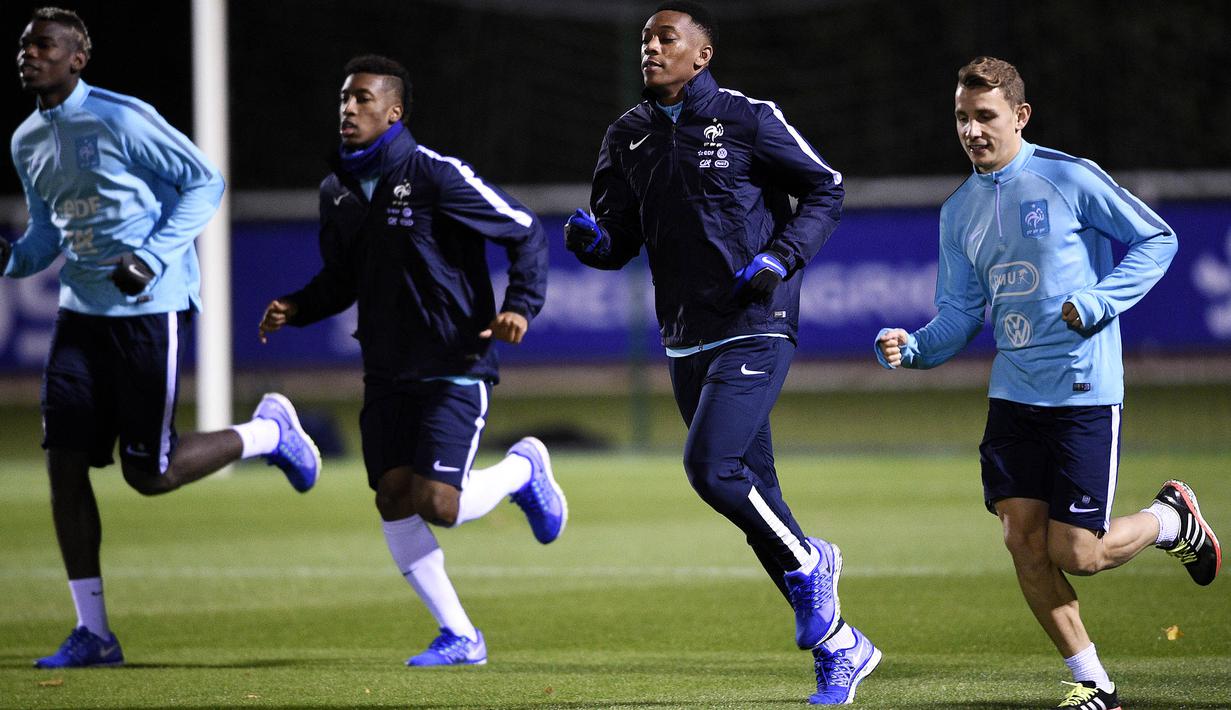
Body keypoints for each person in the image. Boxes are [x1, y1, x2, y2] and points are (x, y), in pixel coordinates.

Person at [876, 56, 1220, 709]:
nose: (972, 130)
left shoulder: (1066, 177)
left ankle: (1170, 520)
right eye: (961, 117)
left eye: (985, 116)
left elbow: (1156, 239)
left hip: (1081, 390)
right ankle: (1094, 684)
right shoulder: (958, 212)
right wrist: (914, 348)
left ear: (1019, 116)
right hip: (1012, 395)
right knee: (1021, 540)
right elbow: (958, 314)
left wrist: (1097, 301)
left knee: (1079, 553)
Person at [563, 2, 877, 704]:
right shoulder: (627, 135)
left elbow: (825, 188)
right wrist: (595, 246)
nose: (650, 48)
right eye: (644, 39)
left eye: (664, 38)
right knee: (753, 495)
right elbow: (618, 236)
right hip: (684, 335)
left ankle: (811, 560)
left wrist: (779, 257)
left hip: (756, 322)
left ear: (700, 54)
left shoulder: (746, 117)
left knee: (709, 469)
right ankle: (841, 647)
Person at [5, 7, 322, 670]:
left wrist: (150, 256)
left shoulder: (122, 117)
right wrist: (8, 259)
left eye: (43, 44)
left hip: (151, 309)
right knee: (64, 464)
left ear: (77, 58)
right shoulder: (26, 140)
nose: (28, 54)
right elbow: (42, 239)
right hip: (79, 316)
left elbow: (205, 181)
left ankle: (269, 434)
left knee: (148, 474)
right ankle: (93, 631)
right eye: (24, 44)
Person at [258, 54, 563, 667]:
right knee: (393, 495)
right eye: (345, 99)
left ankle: (523, 472)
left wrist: (521, 306)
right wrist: (297, 306)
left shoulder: (434, 175)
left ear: (393, 111)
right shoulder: (336, 190)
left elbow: (524, 229)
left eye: (363, 99)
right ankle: (461, 637)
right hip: (386, 367)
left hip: (456, 362)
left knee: (439, 505)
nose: (349, 108)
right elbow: (344, 279)